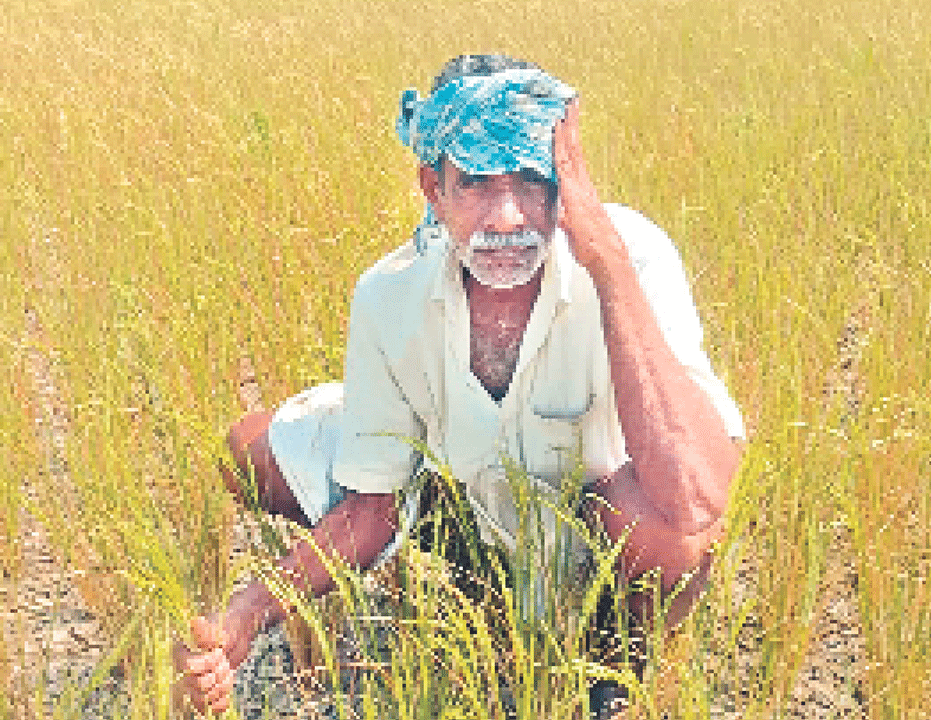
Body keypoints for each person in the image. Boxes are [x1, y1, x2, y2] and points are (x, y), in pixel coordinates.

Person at [174, 54, 745, 717]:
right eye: (474, 182)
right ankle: (462, 577)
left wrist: (607, 265)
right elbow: (369, 511)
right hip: (450, 500)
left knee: (669, 529)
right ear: (433, 189)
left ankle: (613, 657)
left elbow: (699, 497)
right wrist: (248, 610)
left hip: (586, 517)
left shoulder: (631, 255)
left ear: (570, 180)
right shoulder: (392, 294)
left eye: (533, 179)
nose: (507, 217)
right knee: (248, 452)